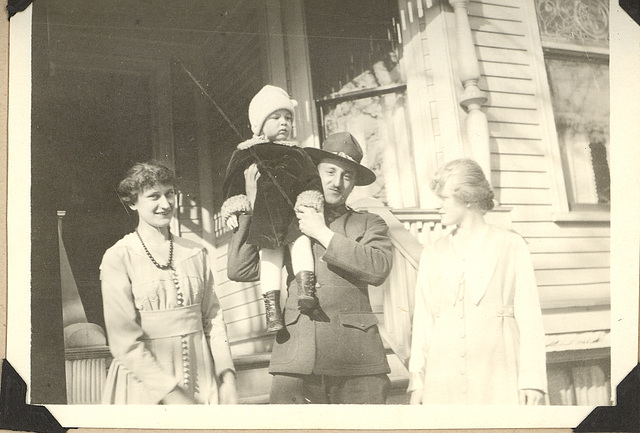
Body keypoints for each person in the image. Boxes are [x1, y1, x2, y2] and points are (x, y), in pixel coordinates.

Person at [228, 132, 394, 404]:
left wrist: (322, 233)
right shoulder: (285, 217)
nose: (337, 182)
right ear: (314, 172)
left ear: (353, 185)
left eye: (347, 176)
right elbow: (239, 270)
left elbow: (378, 268)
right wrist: (256, 208)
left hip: (356, 358)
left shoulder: (368, 223)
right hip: (296, 356)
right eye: (330, 171)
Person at [408, 158, 547, 405]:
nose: (438, 207)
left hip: (500, 367)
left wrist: (532, 380)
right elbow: (423, 322)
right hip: (444, 374)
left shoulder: (510, 245)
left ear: (468, 198)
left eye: (445, 199)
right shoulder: (432, 252)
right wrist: (418, 382)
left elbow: (530, 317)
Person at [100, 161, 237, 404]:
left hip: (202, 377)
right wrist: (172, 395)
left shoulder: (195, 252)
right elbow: (124, 342)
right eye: (154, 196)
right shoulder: (119, 256)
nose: (166, 204)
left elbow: (213, 319)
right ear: (133, 202)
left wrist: (227, 376)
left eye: (170, 194)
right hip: (145, 388)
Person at [221, 85, 324, 332]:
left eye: (288, 118)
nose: (284, 123)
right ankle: (272, 312)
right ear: (259, 123)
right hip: (264, 217)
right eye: (275, 117)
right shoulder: (246, 153)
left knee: (300, 247)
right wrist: (235, 206)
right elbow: (233, 184)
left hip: (292, 216)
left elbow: (311, 181)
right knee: (269, 261)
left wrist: (309, 201)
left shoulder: (298, 154)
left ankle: (306, 292)